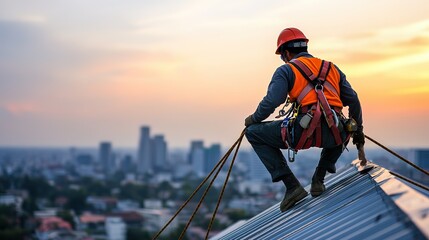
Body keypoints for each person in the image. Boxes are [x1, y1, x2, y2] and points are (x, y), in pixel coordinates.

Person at [244, 27, 365, 212]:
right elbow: (353, 99)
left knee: (253, 133)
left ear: (285, 52)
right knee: (346, 130)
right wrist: (358, 130)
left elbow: (272, 100)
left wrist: (254, 118)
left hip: (303, 132)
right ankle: (318, 180)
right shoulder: (331, 68)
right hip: (335, 134)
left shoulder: (286, 70)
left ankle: (292, 187)